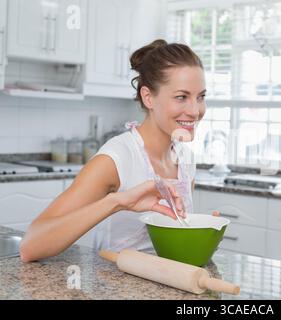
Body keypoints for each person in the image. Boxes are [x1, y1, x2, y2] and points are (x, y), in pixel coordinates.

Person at [20, 39, 209, 262]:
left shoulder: (186, 160)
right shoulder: (117, 158)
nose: (195, 110)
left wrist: (203, 236)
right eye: (181, 97)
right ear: (148, 97)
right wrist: (117, 202)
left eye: (201, 97)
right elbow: (31, 246)